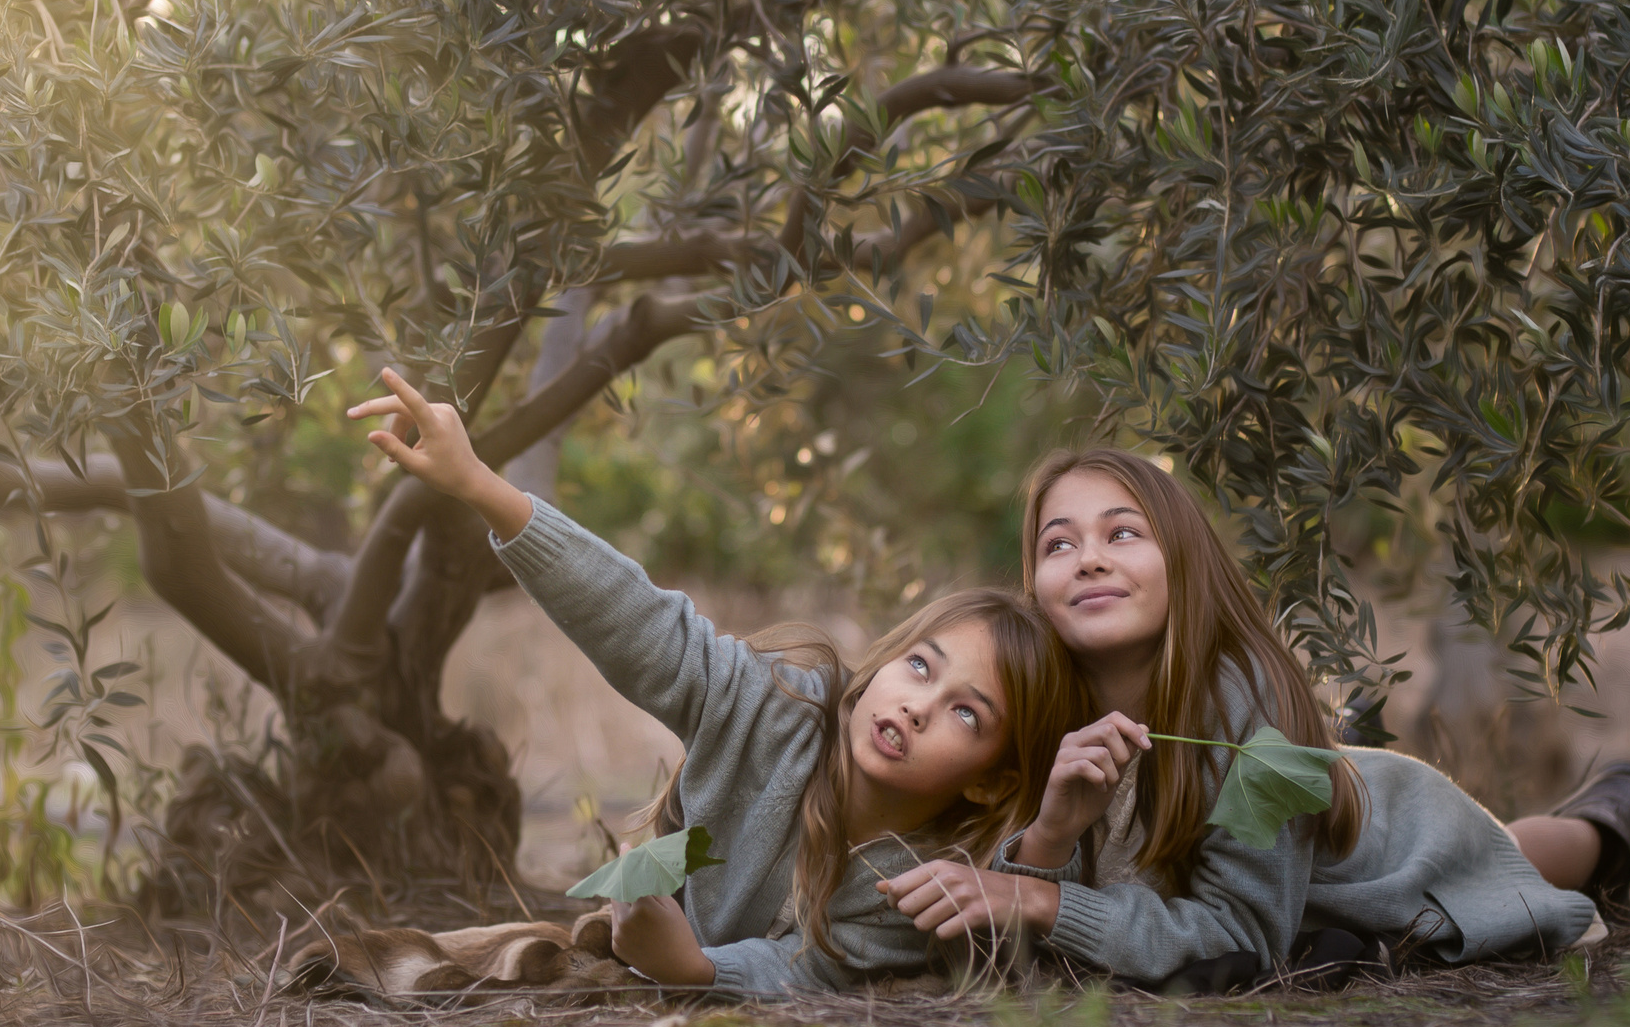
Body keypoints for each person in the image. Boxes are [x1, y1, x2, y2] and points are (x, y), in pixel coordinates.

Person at [348, 369, 1090, 993]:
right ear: (888, 660)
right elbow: (638, 622)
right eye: (921, 667)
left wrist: (697, 968)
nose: (919, 706)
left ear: (993, 783)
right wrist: (478, 482)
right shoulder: (771, 707)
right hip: (645, 924)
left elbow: (815, 968)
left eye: (967, 713)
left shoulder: (931, 884)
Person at [881, 446, 1630, 987]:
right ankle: (1594, 814)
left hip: (1402, 836)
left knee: (1505, 861)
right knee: (1513, 846)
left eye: (1122, 532)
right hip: (1331, 829)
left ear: (1182, 558)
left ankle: (1602, 819)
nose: (1088, 557)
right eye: (1059, 543)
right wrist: (1044, 847)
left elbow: (1244, 935)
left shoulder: (1245, 709)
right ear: (1036, 580)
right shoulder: (1043, 701)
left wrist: (1039, 897)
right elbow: (1032, 928)